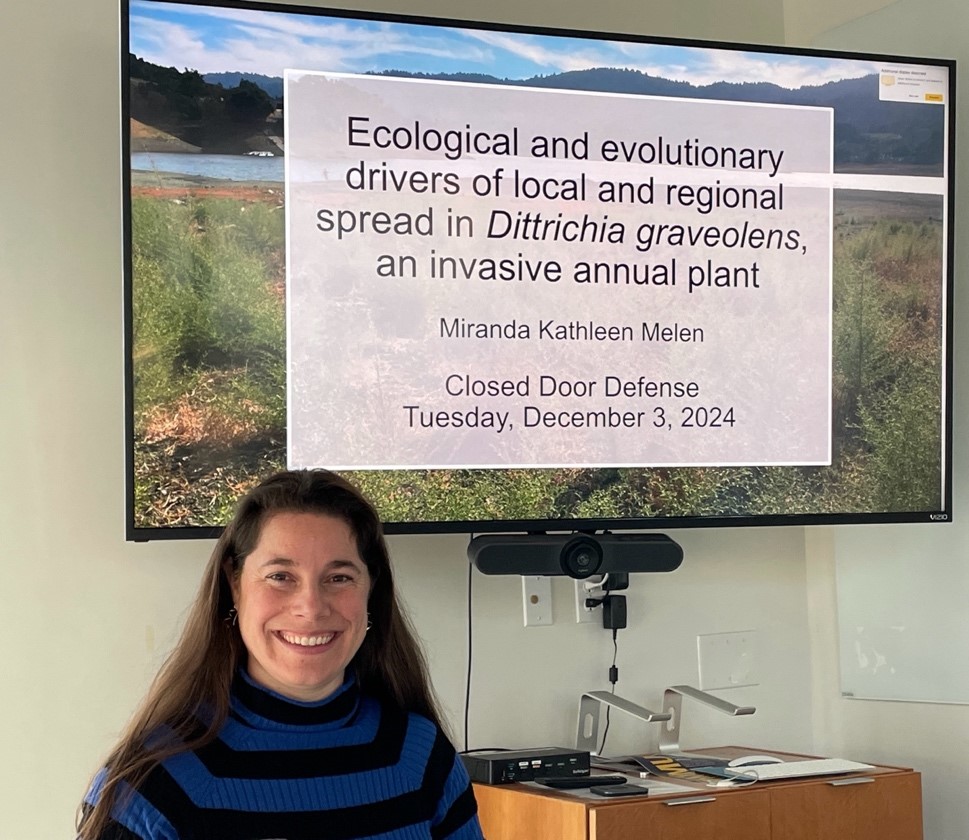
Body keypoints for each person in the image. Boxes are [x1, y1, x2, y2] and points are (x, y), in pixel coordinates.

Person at [78, 469, 483, 840]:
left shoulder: (422, 756)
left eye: (339, 577)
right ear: (234, 584)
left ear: (370, 589)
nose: (311, 607)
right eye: (280, 576)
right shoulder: (152, 782)